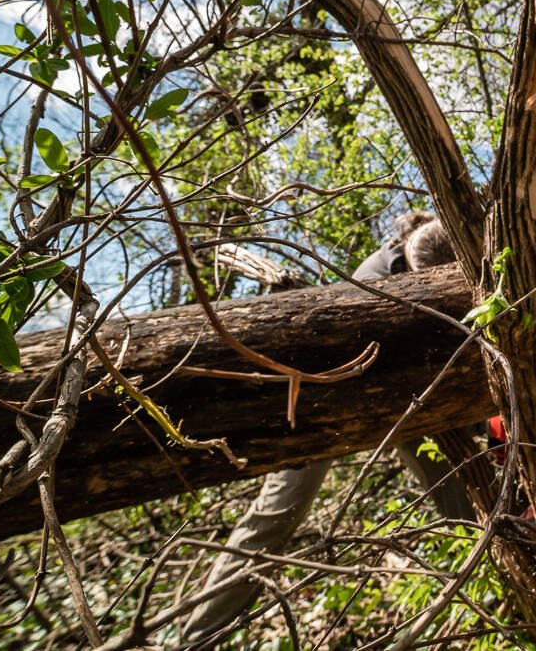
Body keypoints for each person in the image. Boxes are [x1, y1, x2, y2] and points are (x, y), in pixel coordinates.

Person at [181, 213, 473, 642]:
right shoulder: (374, 279)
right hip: (321, 406)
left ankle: (486, 567)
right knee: (279, 513)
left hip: (396, 401)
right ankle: (199, 635)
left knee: (454, 483)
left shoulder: (434, 257)